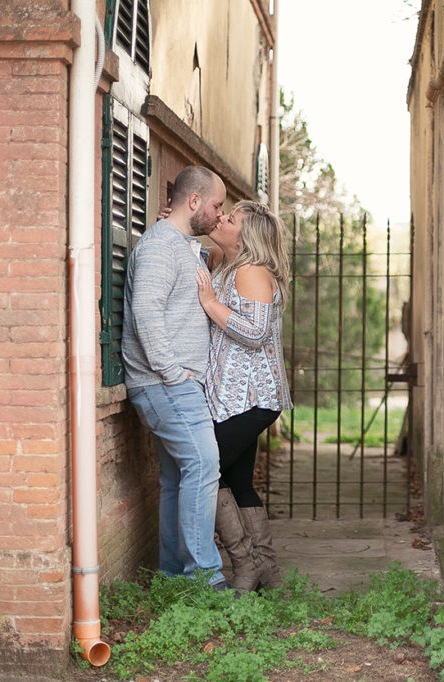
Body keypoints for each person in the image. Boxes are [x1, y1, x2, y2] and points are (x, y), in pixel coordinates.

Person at [121, 165, 234, 591]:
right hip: (166, 385)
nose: (219, 215)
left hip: (173, 384)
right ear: (193, 201)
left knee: (176, 479)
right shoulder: (159, 248)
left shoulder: (182, 244)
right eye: (216, 205)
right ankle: (206, 580)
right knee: (204, 466)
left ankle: (171, 577)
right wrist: (171, 372)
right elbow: (147, 313)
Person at [194, 199, 294, 593]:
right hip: (236, 399)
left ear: (246, 236)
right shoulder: (230, 263)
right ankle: (265, 566)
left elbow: (255, 332)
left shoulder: (251, 271)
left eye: (230, 219)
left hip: (252, 399)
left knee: (208, 471)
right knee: (238, 481)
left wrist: (209, 304)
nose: (221, 219)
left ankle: (246, 565)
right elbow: (203, 249)